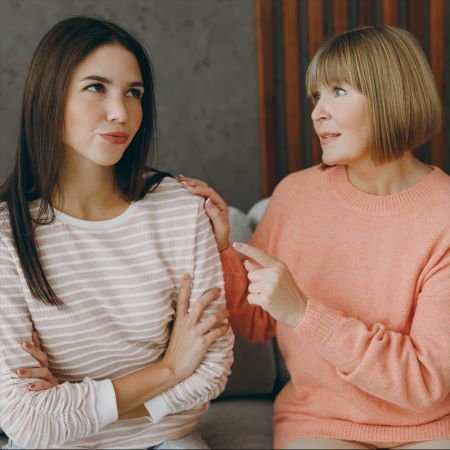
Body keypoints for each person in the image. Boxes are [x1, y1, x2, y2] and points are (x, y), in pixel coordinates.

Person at [17, 25, 450, 450]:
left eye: (338, 92)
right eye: (316, 95)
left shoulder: (442, 214)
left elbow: (426, 381)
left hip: (429, 422)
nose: (318, 112)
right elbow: (254, 322)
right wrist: (225, 251)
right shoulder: (298, 195)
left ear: (392, 96)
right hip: (321, 421)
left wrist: (303, 312)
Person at [0, 16, 233, 449]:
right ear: (50, 98)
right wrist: (168, 370)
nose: (120, 112)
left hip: (166, 442)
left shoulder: (179, 208)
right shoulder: (6, 236)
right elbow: (28, 421)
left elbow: (213, 366)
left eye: (134, 93)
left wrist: (75, 409)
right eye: (96, 87)